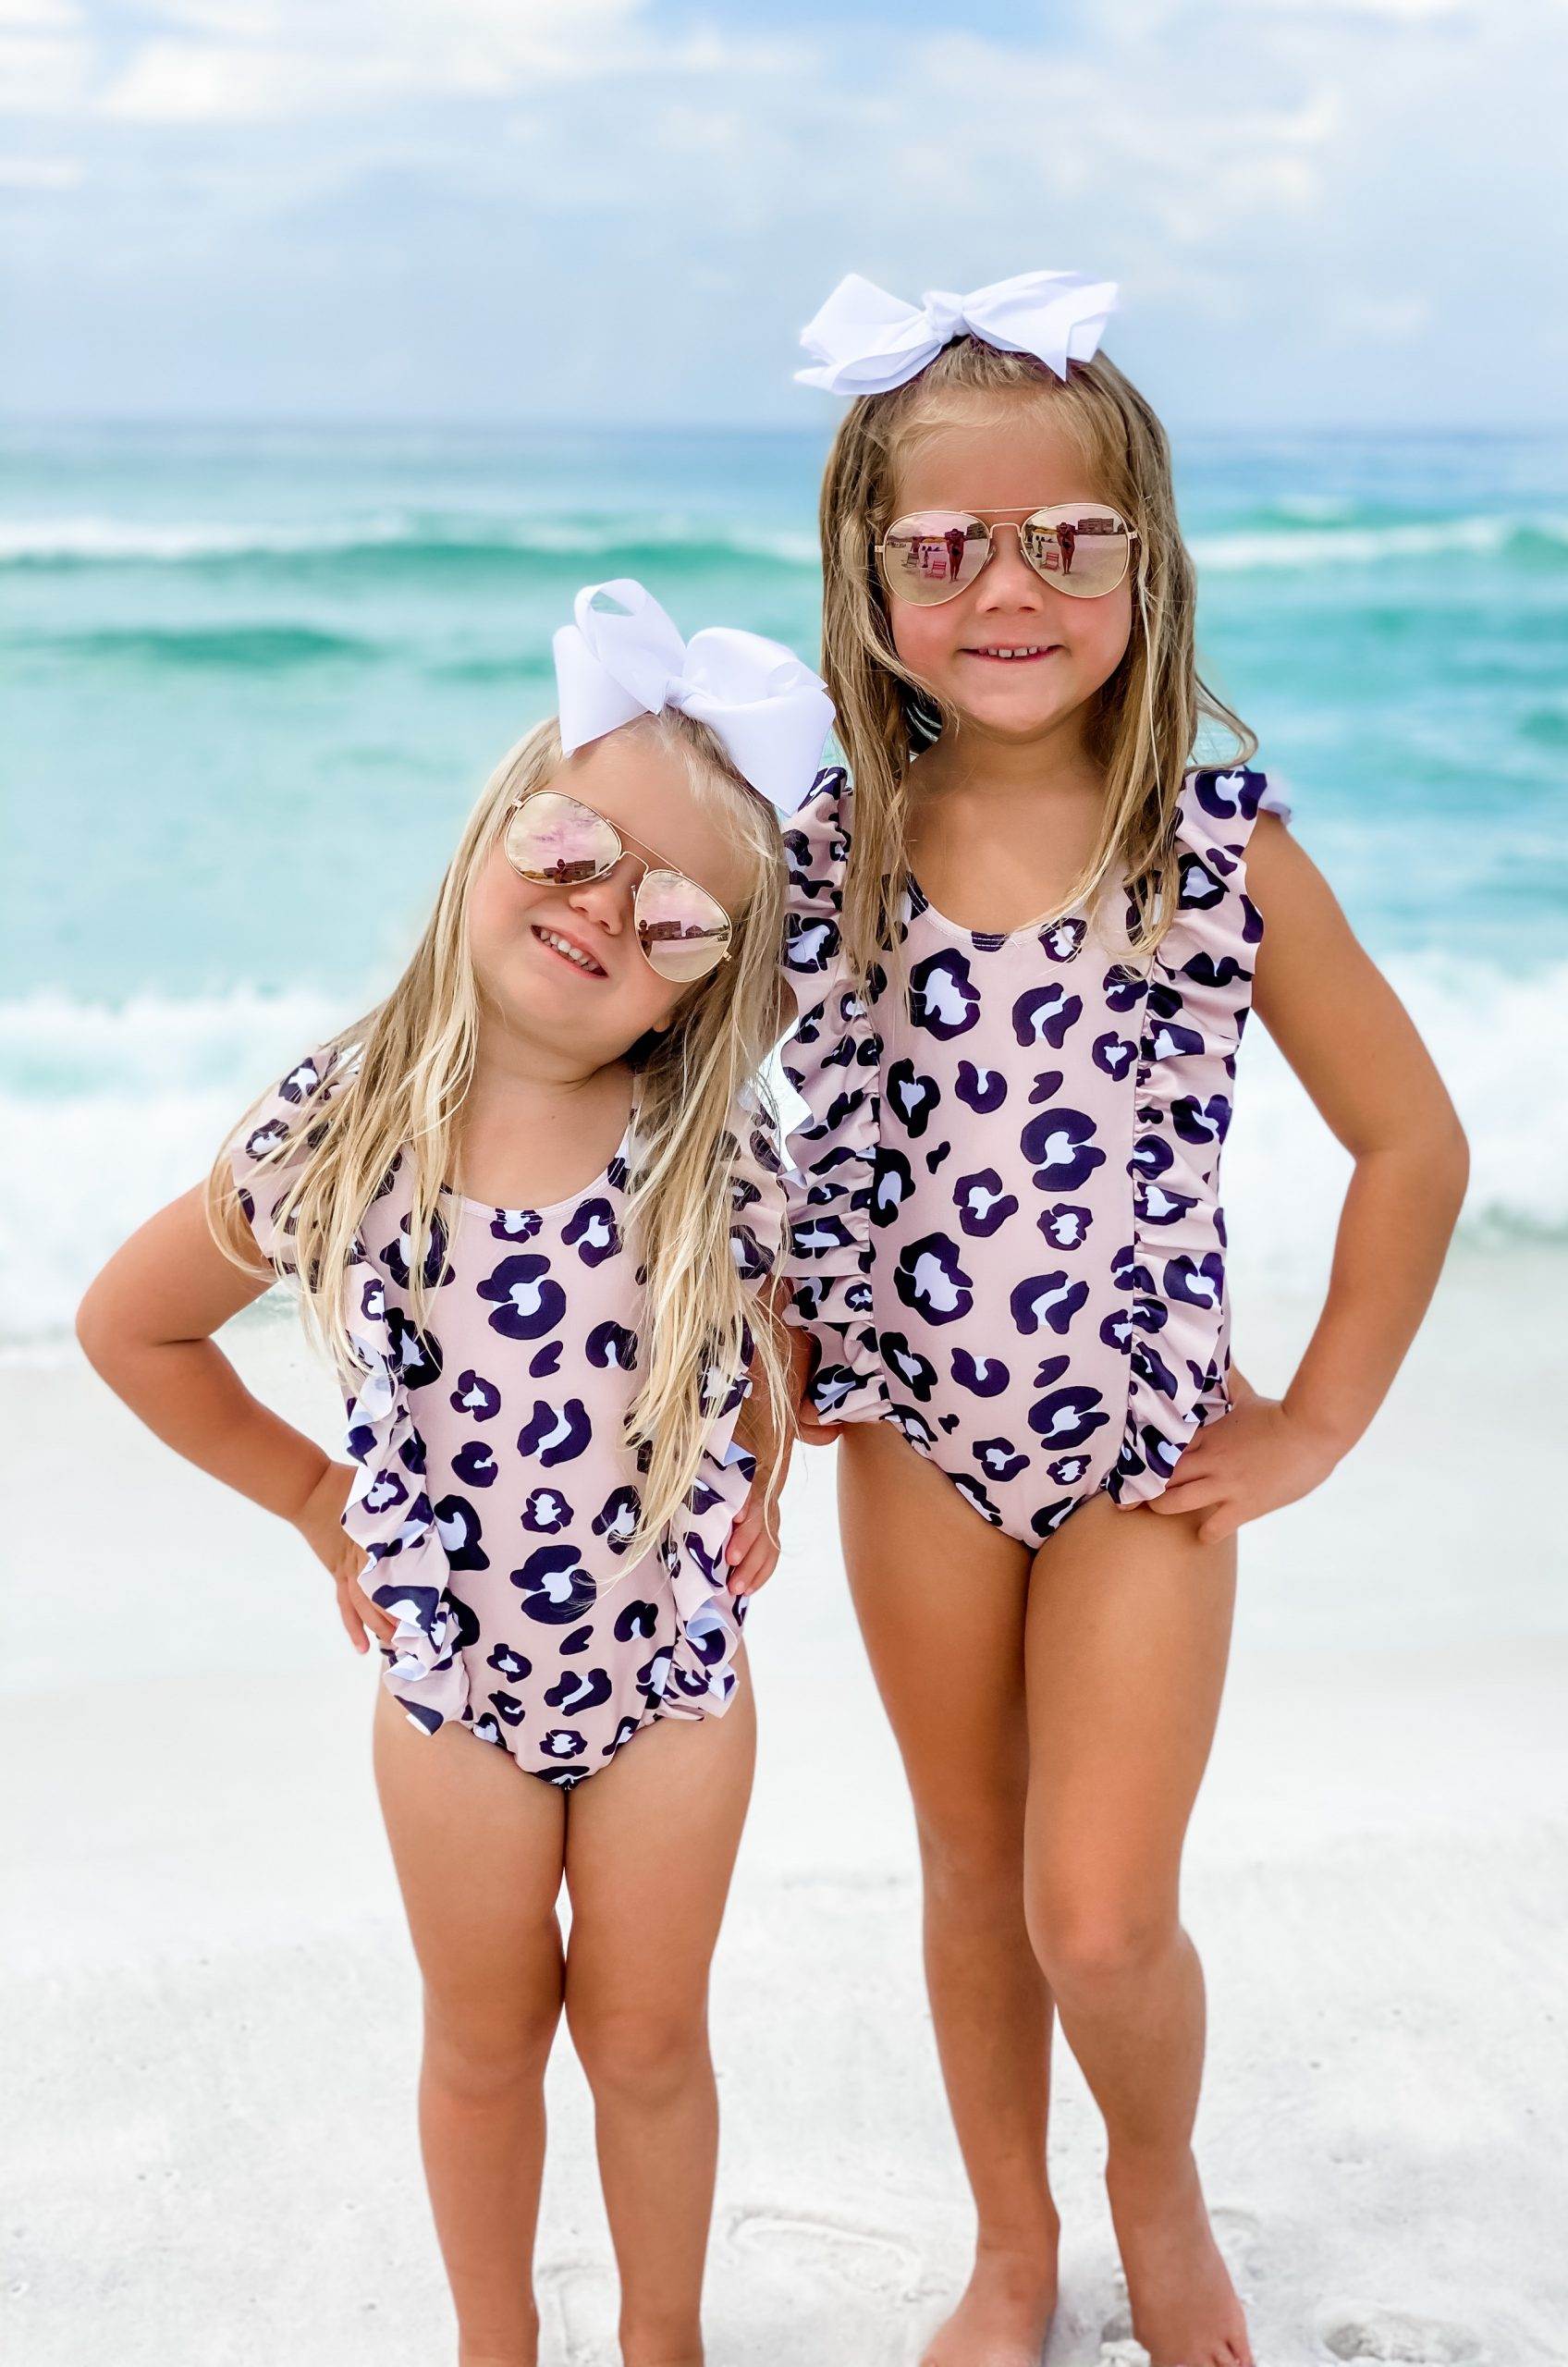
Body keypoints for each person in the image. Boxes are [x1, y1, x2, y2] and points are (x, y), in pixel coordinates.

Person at [780, 271, 1470, 2367]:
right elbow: (704, 1111)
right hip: (911, 1442)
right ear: (866, 573)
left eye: (1065, 538)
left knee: (1099, 1907)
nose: (1007, 584)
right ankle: (1011, 2245)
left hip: (1143, 1450)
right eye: (944, 544)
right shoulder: (826, 845)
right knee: (972, 1873)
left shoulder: (1219, 844)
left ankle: (1153, 2191)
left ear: (1142, 561)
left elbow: (1410, 1142)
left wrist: (1319, 1419)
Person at [76, 578, 833, 2367]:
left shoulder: (714, 1154)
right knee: (485, 2041)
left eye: (673, 918)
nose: (599, 911)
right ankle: (497, 2346)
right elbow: (134, 1328)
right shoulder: (343, 1122)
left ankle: (664, 2341)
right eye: (568, 846)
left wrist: (766, 1480)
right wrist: (314, 1500)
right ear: (493, 833)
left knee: (649, 2042)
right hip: (449, 1688)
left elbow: (782, 1328)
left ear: (697, 993)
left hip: (667, 1672)